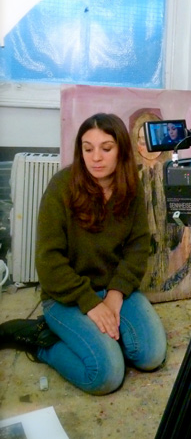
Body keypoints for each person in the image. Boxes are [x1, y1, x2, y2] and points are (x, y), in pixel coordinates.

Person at [0, 113, 167, 395]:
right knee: (106, 375)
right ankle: (42, 343)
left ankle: (95, 337)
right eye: (87, 148)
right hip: (66, 297)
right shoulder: (61, 187)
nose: (95, 157)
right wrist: (90, 303)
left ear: (121, 151)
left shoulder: (131, 187)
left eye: (106, 148)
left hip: (114, 291)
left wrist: (116, 294)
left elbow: (138, 247)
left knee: (151, 356)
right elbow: (49, 262)